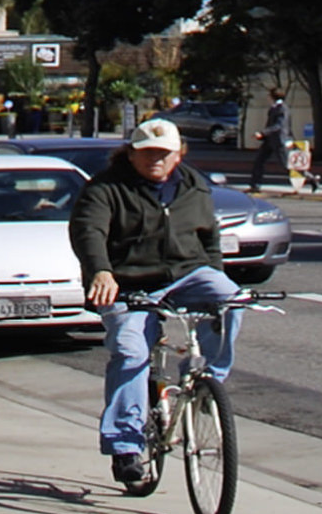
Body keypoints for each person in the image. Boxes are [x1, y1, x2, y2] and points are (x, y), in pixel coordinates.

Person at [71, 112, 245, 491]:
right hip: (128, 282)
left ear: (179, 154)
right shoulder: (106, 188)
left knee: (232, 299)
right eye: (147, 152)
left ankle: (207, 383)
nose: (156, 159)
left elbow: (208, 235)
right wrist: (101, 271)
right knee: (131, 352)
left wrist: (215, 271)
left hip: (187, 274)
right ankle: (126, 445)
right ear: (131, 153)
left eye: (164, 153)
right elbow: (88, 230)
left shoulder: (193, 185)